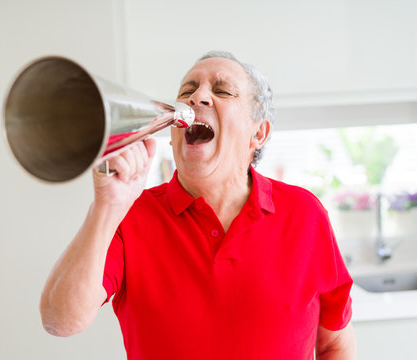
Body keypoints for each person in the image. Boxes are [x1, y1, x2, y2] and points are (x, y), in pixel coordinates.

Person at [40, 51, 356, 359]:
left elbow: (333, 346)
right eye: (188, 90)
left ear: (257, 133)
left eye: (222, 91)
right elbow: (59, 321)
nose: (198, 98)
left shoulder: (305, 214)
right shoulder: (130, 214)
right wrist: (107, 206)